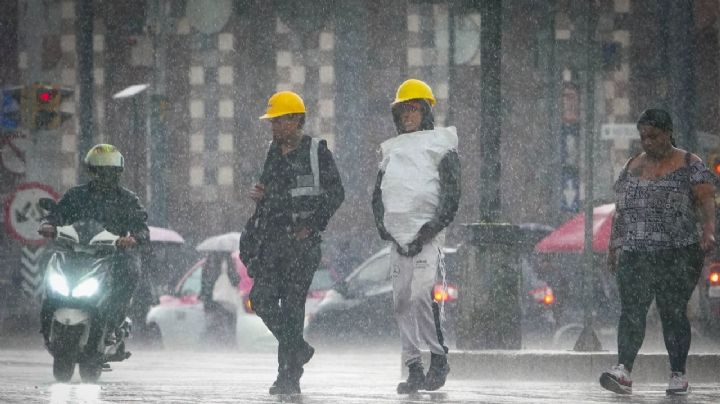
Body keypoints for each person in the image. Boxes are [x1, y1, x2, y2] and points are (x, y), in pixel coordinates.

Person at [600, 109, 716, 396]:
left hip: (678, 251)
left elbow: (705, 201)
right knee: (632, 312)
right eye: (643, 137)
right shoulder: (631, 166)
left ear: (667, 133)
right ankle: (623, 370)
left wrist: (708, 230)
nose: (647, 142)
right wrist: (614, 246)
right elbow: (621, 211)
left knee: (673, 310)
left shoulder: (690, 163)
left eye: (653, 136)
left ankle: (678, 373)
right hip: (636, 251)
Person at [248, 90, 344, 395]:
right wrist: (261, 200)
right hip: (273, 242)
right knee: (261, 300)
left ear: (295, 120)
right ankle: (298, 349)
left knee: (291, 308)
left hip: (302, 245)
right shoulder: (272, 153)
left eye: (278, 121)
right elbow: (272, 196)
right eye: (272, 122)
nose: (274, 127)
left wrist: (312, 225)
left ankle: (287, 376)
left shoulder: (317, 152)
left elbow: (336, 193)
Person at [371, 79, 461, 394]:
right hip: (398, 237)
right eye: (403, 110)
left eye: (414, 109)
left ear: (425, 111)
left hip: (427, 235)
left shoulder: (442, 146)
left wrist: (432, 227)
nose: (408, 115)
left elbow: (451, 195)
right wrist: (386, 229)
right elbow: (378, 195)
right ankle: (413, 366)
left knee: (422, 294)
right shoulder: (390, 152)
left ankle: (438, 357)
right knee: (400, 300)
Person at [39, 144, 149, 348]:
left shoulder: (128, 199)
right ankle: (47, 316)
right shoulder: (76, 195)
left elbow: (142, 226)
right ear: (92, 171)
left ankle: (114, 323)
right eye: (100, 171)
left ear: (118, 173)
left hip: (113, 254)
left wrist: (133, 238)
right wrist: (48, 224)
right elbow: (57, 213)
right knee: (46, 263)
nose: (105, 176)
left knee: (130, 269)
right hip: (75, 251)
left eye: (110, 172)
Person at [199, 252, 240, 347]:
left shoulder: (208, 263)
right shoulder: (227, 262)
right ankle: (229, 345)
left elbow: (205, 283)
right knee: (228, 326)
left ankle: (208, 345)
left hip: (211, 301)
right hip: (225, 300)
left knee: (212, 325)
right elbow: (235, 281)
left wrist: (205, 296)